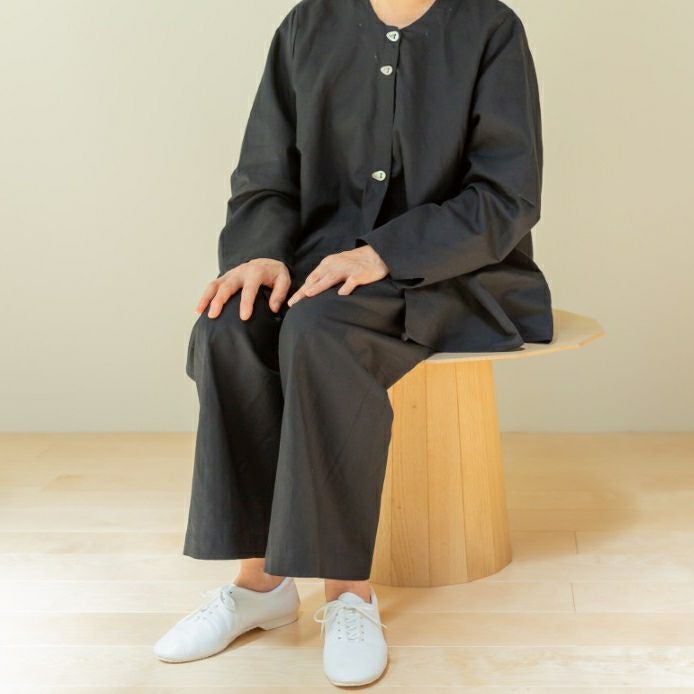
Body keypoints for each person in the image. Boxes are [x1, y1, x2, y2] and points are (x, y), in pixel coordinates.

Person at [154, 0, 553, 687]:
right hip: (319, 266)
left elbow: (506, 195)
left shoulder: (490, 29)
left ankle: (348, 594)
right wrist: (259, 253)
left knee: (321, 331)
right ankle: (259, 587)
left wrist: (382, 254)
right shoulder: (306, 25)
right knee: (228, 325)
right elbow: (266, 172)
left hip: (448, 272)